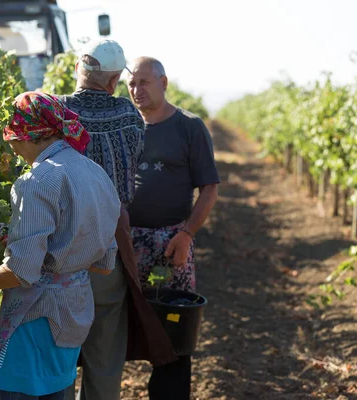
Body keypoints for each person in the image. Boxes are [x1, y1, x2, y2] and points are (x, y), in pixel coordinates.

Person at [0, 91, 122, 400]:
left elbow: (21, 272)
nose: (11, 148)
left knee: (15, 392)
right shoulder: (96, 173)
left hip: (35, 319)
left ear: (26, 135)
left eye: (12, 140)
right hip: (74, 312)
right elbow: (104, 263)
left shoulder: (37, 181)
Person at [60, 40, 176, 400]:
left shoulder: (58, 111)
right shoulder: (127, 115)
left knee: (59, 347)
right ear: (113, 81)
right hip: (110, 238)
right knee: (105, 351)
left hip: (62, 243)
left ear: (81, 72)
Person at [126, 57, 220, 400]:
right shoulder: (125, 127)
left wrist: (186, 235)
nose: (137, 90)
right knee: (115, 326)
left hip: (170, 246)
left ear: (163, 83)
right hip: (124, 244)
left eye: (144, 83)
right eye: (131, 83)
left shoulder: (189, 127)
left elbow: (209, 188)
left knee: (173, 328)